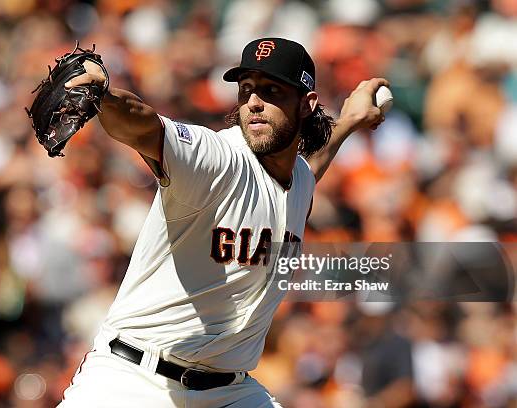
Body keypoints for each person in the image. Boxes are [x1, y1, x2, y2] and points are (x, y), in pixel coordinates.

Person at [57, 37, 388, 407]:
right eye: (245, 90)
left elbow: (308, 166)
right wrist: (105, 98)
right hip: (134, 379)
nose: (254, 103)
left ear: (307, 104)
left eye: (271, 90)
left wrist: (349, 122)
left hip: (230, 392)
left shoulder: (300, 182)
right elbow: (147, 128)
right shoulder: (215, 158)